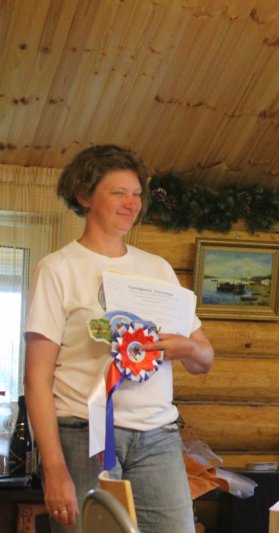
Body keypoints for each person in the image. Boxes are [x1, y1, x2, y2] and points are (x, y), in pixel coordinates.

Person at [24, 145, 214, 532]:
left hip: (158, 436)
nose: (132, 204)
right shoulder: (57, 269)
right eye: (118, 193)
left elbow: (204, 359)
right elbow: (36, 379)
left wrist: (186, 347)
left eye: (137, 194)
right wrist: (54, 469)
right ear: (84, 196)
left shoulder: (158, 268)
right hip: (83, 434)